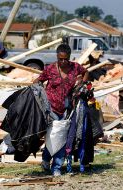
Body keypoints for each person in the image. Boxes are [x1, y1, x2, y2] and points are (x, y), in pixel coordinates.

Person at [34, 43, 89, 176]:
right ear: (57, 57)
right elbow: (38, 81)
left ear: (69, 57)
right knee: (53, 136)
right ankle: (46, 159)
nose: (63, 62)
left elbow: (86, 72)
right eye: (60, 59)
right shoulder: (50, 69)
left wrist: (82, 83)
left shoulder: (75, 67)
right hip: (50, 108)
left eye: (66, 59)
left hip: (67, 108)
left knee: (62, 137)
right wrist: (36, 93)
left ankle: (56, 167)